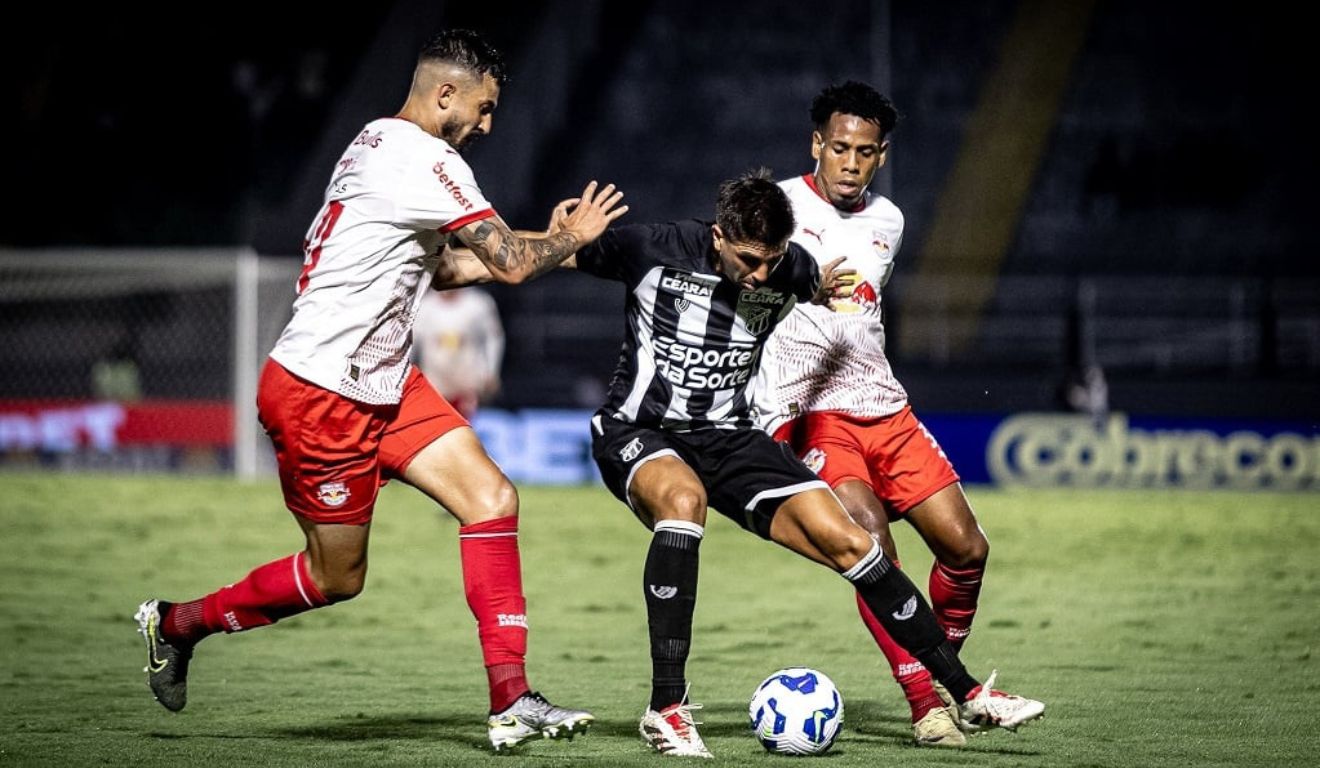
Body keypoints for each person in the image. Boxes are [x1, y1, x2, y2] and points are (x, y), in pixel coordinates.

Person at [432, 170, 1044, 758]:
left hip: (729, 437)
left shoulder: (788, 268)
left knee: (853, 543)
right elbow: (484, 265)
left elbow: (799, 283)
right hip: (638, 429)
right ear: (719, 236)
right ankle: (666, 708)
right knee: (683, 502)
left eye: (770, 261)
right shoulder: (654, 247)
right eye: (747, 260)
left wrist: (817, 287)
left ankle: (965, 693)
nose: (757, 276)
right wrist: (500, 249)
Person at [133, 29, 627, 751]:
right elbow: (513, 265)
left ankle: (512, 699)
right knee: (338, 579)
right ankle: (178, 624)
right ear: (445, 93)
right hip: (320, 394)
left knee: (491, 499)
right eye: (483, 109)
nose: (486, 127)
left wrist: (546, 248)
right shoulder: (427, 158)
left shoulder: (375, 141)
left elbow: (452, 269)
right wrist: (568, 240)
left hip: (386, 381)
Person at [750, 81, 999, 747]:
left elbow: (862, 316)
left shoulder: (889, 221)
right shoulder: (776, 206)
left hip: (886, 410)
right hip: (817, 417)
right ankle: (926, 705)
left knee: (967, 550)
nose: (850, 161)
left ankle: (944, 671)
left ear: (880, 156)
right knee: (871, 549)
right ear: (816, 145)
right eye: (838, 148)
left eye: (864, 151)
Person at [412, 286, 505, 418]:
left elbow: (493, 338)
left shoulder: (478, 303)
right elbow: (412, 342)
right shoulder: (424, 305)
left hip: (467, 381)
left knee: (463, 425)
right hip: (435, 381)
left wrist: (491, 371)